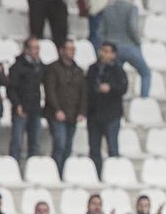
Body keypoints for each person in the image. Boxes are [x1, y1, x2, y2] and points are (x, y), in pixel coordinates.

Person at [44, 40, 88, 176]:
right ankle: (55, 171)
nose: (72, 52)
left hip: (73, 113)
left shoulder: (78, 70)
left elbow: (83, 92)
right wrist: (57, 109)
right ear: (61, 51)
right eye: (69, 49)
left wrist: (81, 111)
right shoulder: (53, 68)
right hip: (57, 113)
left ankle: (64, 172)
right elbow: (50, 90)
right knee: (60, 144)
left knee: (68, 146)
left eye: (73, 49)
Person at [85, 43, 129, 176]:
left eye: (107, 51)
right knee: (94, 148)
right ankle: (96, 174)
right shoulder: (93, 69)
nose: (104, 54)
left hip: (111, 114)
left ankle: (113, 174)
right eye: (103, 51)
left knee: (112, 147)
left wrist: (110, 88)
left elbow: (123, 88)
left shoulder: (118, 70)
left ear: (113, 54)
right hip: (94, 113)